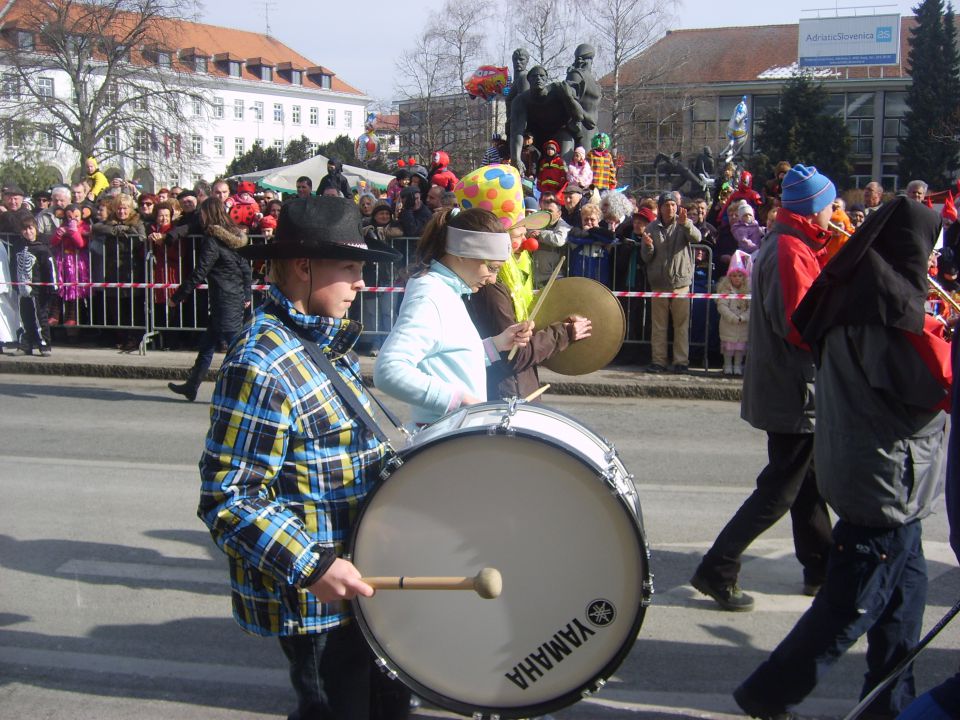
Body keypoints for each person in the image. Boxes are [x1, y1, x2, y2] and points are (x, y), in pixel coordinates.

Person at [735, 197, 952, 720]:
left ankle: (889, 707)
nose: (932, 264)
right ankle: (769, 693)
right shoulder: (883, 308)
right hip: (882, 480)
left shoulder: (864, 292)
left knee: (902, 612)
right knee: (847, 609)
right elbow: (925, 386)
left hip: (889, 480)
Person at [196, 195, 412, 719]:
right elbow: (229, 497)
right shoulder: (261, 363)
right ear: (303, 266)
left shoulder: (318, 343)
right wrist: (312, 564)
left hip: (361, 587)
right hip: (316, 604)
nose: (362, 284)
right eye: (351, 269)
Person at [690, 164, 836, 612]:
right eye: (829, 204)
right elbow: (799, 325)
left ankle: (821, 569)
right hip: (793, 387)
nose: (834, 212)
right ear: (814, 209)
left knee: (806, 484)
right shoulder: (791, 250)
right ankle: (719, 568)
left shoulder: (791, 243)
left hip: (790, 383)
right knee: (780, 489)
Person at [373, 207, 533, 426]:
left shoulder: (447, 291)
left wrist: (497, 344)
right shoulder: (430, 296)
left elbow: (449, 359)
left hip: (451, 439)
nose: (493, 280)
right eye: (492, 268)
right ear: (462, 253)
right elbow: (388, 370)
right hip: (443, 442)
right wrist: (458, 400)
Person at [167, 198, 251, 402]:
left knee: (236, 351)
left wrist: (177, 297)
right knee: (207, 345)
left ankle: (247, 394)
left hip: (224, 300)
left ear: (209, 214)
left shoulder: (213, 240)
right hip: (231, 297)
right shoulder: (233, 238)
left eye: (202, 213)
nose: (200, 217)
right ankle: (192, 385)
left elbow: (199, 273)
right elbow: (246, 269)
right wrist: (246, 295)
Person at [641, 192, 701, 374]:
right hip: (658, 284)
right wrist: (648, 246)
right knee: (659, 326)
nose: (670, 208)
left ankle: (681, 362)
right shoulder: (651, 228)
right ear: (660, 208)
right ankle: (658, 361)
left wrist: (686, 224)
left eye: (673, 205)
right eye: (667, 205)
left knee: (681, 326)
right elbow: (646, 257)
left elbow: (697, 238)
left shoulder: (683, 225)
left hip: (680, 283)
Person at [11, 215, 56, 355]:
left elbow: (50, 268)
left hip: (38, 290)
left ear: (36, 229)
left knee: (40, 318)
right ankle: (25, 345)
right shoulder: (17, 246)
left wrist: (52, 287)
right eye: (24, 229)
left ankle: (44, 345)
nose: (28, 232)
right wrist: (14, 285)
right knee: (24, 318)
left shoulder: (42, 249)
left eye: (30, 228)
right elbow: (13, 266)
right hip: (22, 289)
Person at [51, 203, 91, 326]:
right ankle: (55, 314)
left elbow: (80, 244)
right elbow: (53, 242)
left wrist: (74, 231)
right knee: (59, 286)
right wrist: (59, 234)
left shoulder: (85, 227)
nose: (72, 220)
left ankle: (72, 316)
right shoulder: (62, 226)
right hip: (62, 260)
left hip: (76, 261)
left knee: (74, 288)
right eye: (69, 217)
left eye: (76, 217)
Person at [716, 250, 751, 377]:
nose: (737, 278)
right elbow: (722, 306)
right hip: (728, 325)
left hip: (742, 325)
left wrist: (743, 317)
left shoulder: (747, 292)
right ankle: (727, 365)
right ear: (729, 277)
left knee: (739, 348)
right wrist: (731, 317)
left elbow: (751, 309)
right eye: (734, 276)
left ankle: (737, 365)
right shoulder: (725, 290)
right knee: (728, 347)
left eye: (740, 276)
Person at [530, 192, 570, 287]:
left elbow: (559, 240)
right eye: (544, 210)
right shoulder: (538, 222)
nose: (546, 214)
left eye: (550, 211)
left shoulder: (564, 225)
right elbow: (528, 230)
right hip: (537, 277)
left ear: (559, 213)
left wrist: (540, 234)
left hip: (555, 278)